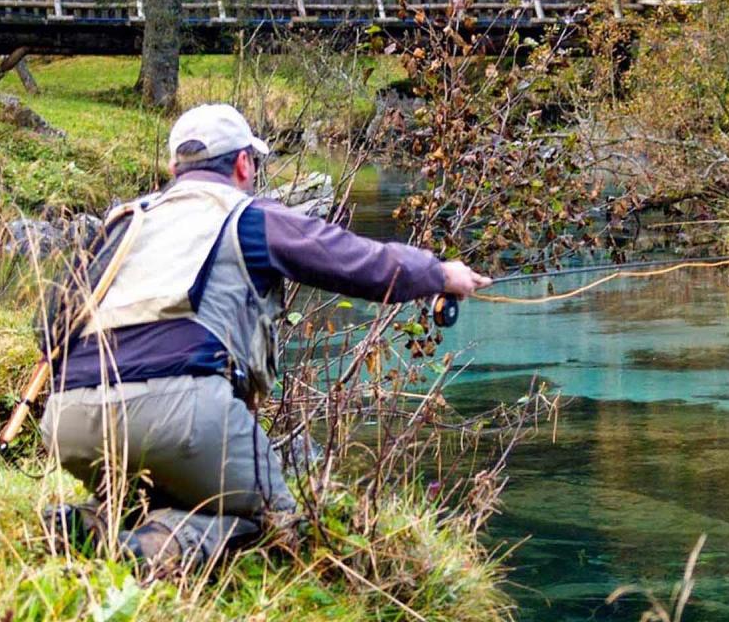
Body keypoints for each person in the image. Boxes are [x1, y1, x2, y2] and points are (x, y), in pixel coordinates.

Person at [38, 103, 490, 572]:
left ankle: (85, 525)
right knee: (270, 521)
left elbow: (46, 329)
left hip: (69, 419)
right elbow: (361, 263)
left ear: (174, 169)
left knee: (150, 499)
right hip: (181, 415)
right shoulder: (249, 218)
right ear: (243, 164)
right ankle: (140, 552)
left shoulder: (121, 224)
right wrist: (439, 273)